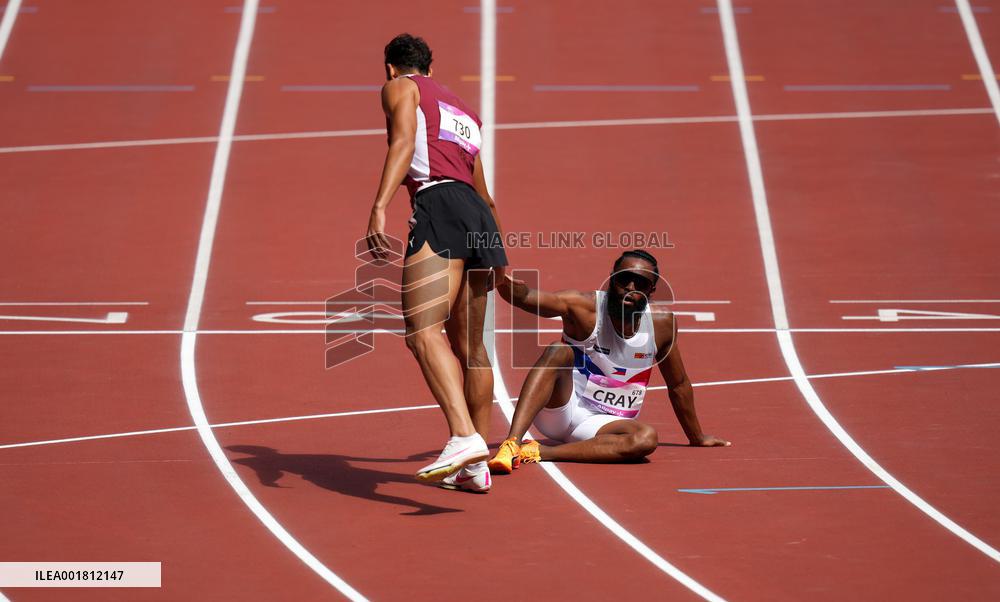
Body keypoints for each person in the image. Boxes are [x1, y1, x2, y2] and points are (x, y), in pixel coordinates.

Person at [365, 34, 507, 492]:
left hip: (439, 203)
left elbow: (404, 141)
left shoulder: (400, 87)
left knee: (422, 330)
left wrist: (380, 206)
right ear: (432, 65)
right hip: (477, 215)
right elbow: (483, 191)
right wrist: (498, 252)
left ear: (391, 67)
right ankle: (475, 467)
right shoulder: (465, 112)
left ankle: (465, 437)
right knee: (472, 349)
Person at [489, 250, 729, 473]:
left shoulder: (662, 324)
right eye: (624, 279)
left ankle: (540, 451)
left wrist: (697, 436)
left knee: (646, 438)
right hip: (561, 408)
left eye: (641, 283)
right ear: (612, 279)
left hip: (603, 426)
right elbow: (527, 297)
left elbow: (678, 384)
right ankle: (512, 443)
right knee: (558, 351)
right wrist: (500, 277)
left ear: (652, 290)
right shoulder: (585, 307)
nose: (630, 288)